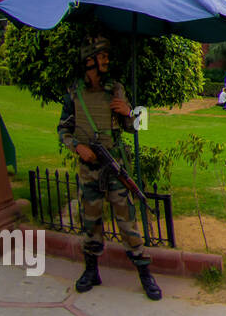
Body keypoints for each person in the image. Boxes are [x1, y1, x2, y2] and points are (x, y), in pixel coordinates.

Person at [58, 36, 162, 301]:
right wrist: (76, 147)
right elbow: (63, 129)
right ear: (88, 61)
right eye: (101, 56)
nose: (106, 60)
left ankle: (145, 275)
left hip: (114, 166)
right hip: (88, 168)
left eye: (106, 56)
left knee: (127, 222)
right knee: (90, 220)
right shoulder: (74, 93)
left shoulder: (115, 89)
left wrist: (130, 112)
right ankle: (91, 271)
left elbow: (140, 126)